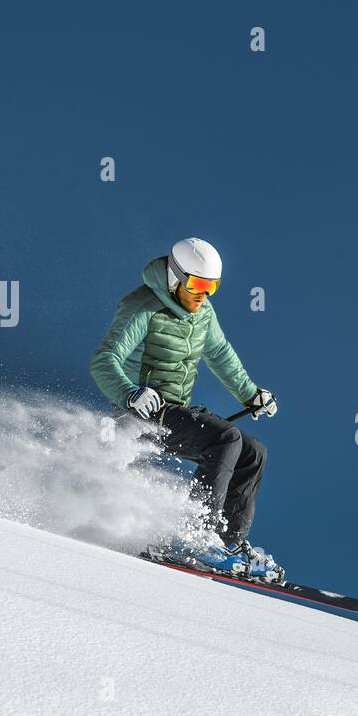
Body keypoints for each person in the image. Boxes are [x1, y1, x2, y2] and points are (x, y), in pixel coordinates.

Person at [89, 237, 282, 579]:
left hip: (176, 412)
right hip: (142, 412)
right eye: (196, 284)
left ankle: (228, 544)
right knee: (226, 440)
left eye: (212, 287)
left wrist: (250, 395)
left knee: (254, 452)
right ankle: (198, 538)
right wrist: (130, 394)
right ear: (174, 277)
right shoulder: (143, 307)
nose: (202, 294)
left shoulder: (203, 313)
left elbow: (221, 355)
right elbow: (105, 360)